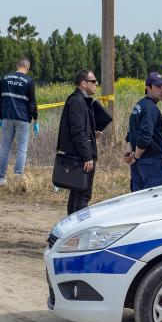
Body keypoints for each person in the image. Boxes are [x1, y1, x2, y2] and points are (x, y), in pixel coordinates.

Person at [57, 69, 100, 214]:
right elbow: (77, 132)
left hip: (80, 156)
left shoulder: (81, 101)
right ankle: (78, 232)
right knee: (82, 196)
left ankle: (74, 232)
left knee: (77, 194)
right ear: (83, 83)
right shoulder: (77, 101)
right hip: (81, 158)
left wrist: (92, 133)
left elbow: (79, 129)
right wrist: (87, 156)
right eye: (93, 81)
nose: (96, 84)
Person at [0, 57, 38, 187]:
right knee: (21, 149)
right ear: (27, 68)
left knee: (5, 148)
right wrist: (36, 119)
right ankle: (18, 178)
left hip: (7, 117)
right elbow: (32, 103)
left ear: (17, 65)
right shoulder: (29, 81)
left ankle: (1, 178)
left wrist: (1, 116)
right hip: (23, 119)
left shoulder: (5, 78)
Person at [123, 72, 162, 191]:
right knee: (155, 201)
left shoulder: (139, 105)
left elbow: (130, 133)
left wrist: (130, 152)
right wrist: (136, 157)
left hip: (138, 162)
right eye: (158, 86)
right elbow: (145, 136)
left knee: (139, 201)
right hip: (150, 162)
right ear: (148, 87)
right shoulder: (151, 108)